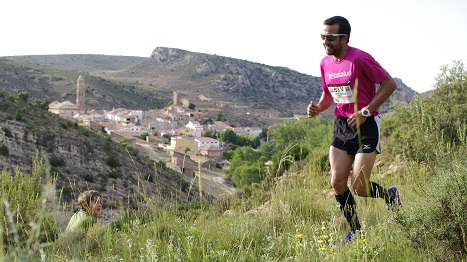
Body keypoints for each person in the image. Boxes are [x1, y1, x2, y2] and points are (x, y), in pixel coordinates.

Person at [307, 16, 403, 242]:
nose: (325, 41)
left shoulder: (360, 58)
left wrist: (366, 111)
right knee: (337, 182)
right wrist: (318, 108)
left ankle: (389, 195)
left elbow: (389, 85)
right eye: (323, 36)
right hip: (341, 125)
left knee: (359, 186)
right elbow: (327, 96)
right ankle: (357, 231)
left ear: (344, 38)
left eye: (330, 37)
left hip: (366, 125)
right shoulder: (325, 63)